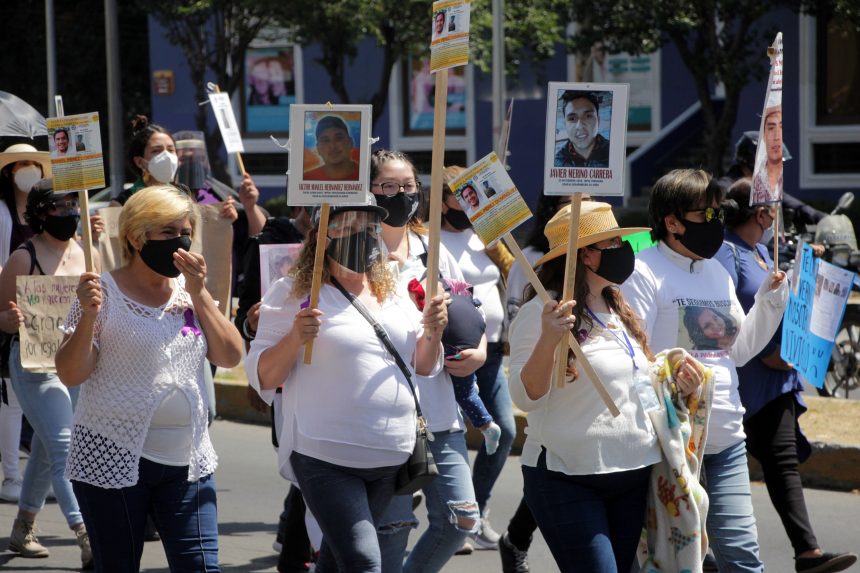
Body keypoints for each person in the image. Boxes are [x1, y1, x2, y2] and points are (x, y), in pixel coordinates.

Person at [246, 201, 448, 573]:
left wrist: (433, 332)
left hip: (389, 454)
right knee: (363, 561)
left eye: (370, 226)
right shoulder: (292, 291)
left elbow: (422, 364)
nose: (361, 233)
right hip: (325, 455)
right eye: (346, 225)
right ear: (321, 236)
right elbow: (263, 376)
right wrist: (294, 337)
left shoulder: (396, 288)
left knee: (338, 563)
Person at [56, 184, 244, 572]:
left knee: (202, 567)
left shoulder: (190, 290)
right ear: (137, 237)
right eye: (169, 232)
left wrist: (200, 293)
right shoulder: (101, 293)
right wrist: (88, 318)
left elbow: (229, 355)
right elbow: (71, 373)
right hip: (114, 458)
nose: (182, 240)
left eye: (186, 231)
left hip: (188, 460)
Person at [508, 200, 704, 571]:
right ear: (585, 257)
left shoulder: (618, 307)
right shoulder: (542, 313)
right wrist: (549, 339)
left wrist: (676, 384)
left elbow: (637, 386)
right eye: (612, 243)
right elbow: (524, 396)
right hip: (566, 477)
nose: (624, 251)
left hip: (633, 473)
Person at [621, 168, 789, 572]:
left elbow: (741, 349)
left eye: (719, 213)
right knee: (673, 562)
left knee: (743, 557)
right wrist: (670, 375)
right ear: (672, 222)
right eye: (706, 215)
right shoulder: (642, 272)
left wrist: (770, 301)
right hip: (670, 444)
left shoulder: (716, 272)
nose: (716, 223)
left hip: (727, 436)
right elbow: (632, 356)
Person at [715, 179, 858, 573]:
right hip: (744, 378)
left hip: (777, 379)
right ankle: (704, 551)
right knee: (716, 470)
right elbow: (722, 315)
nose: (777, 215)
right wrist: (765, 353)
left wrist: (804, 268)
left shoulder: (764, 250)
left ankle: (807, 553)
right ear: (762, 214)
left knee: (782, 463)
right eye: (773, 208)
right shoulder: (726, 254)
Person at [367, 149, 485, 573]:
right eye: (389, 187)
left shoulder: (431, 248)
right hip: (385, 409)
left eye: (409, 187)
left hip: (437, 407)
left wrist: (480, 351)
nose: (401, 195)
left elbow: (470, 309)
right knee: (393, 525)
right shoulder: (357, 250)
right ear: (369, 191)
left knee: (461, 517)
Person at [0, 179, 93, 567]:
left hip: (76, 364)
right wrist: (11, 318)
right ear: (39, 213)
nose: (70, 211)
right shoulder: (24, 257)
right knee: (64, 445)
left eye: (74, 204)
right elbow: (1, 317)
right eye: (59, 206)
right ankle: (87, 533)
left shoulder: (88, 253)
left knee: (45, 447)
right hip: (35, 366)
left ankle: (23, 528)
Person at [441, 166, 516, 550]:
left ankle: (477, 513)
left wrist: (499, 243)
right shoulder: (428, 240)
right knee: (447, 437)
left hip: (491, 354)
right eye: (459, 195)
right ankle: (455, 519)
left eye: (473, 194)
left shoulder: (486, 238)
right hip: (450, 356)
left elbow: (517, 274)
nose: (468, 202)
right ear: (441, 201)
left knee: (504, 430)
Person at [0, 143, 54, 503]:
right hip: (11, 308)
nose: (27, 170)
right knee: (12, 400)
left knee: (46, 395)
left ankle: (39, 476)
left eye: (33, 164)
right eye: (20, 164)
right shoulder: (1, 213)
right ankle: (11, 477)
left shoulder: (45, 212)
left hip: (48, 310)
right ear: (9, 172)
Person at [554, 90, 609, 168]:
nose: (579, 126)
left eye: (588, 116)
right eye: (572, 118)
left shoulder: (615, 153)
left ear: (598, 121)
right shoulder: (556, 163)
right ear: (565, 125)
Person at [303, 115, 360, 182]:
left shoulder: (366, 175)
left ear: (350, 142)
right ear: (318, 148)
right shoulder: (307, 179)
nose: (333, 146)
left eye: (339, 138)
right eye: (325, 140)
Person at [751, 106, 784, 204]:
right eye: (771, 128)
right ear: (763, 135)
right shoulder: (756, 182)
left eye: (781, 127)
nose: (777, 137)